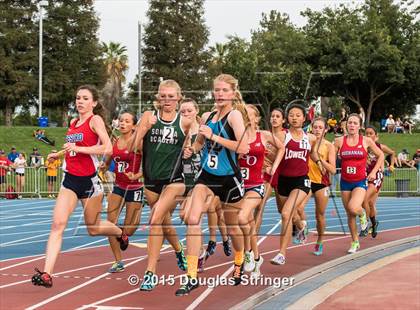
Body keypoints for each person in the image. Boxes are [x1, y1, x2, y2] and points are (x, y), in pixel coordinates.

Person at [31, 85, 128, 288]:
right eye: (78, 98)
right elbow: (72, 149)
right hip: (70, 180)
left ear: (93, 103)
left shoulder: (95, 120)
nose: (80, 101)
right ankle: (47, 274)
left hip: (90, 182)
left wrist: (77, 148)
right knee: (57, 225)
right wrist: (58, 154)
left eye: (85, 98)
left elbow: (107, 147)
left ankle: (120, 233)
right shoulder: (74, 122)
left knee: (93, 228)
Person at [176, 74, 248, 296]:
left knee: (233, 227)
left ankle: (239, 260)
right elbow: (199, 142)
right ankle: (191, 276)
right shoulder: (207, 116)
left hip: (229, 179)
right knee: (192, 218)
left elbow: (243, 148)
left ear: (233, 94)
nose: (219, 94)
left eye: (224, 90)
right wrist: (192, 150)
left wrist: (214, 137)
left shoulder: (234, 116)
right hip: (207, 176)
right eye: (216, 90)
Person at [133, 80, 191, 291]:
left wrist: (191, 149)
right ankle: (178, 250)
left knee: (156, 218)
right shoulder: (149, 117)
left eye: (171, 96)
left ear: (178, 98)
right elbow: (134, 146)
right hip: (150, 181)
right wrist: (142, 129)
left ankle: (150, 273)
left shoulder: (184, 122)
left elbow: (195, 145)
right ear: (158, 97)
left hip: (174, 181)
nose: (167, 100)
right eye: (163, 96)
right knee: (164, 222)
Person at [179, 99, 230, 273]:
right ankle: (199, 251)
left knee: (197, 217)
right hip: (184, 178)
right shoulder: (178, 131)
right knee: (186, 217)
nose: (185, 114)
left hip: (203, 179)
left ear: (196, 111)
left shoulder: (205, 128)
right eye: (182, 111)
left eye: (188, 111)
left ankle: (199, 255)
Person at [270, 103, 319, 265]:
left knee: (285, 214)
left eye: (298, 115)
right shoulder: (282, 137)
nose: (294, 117)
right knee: (287, 214)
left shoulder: (310, 138)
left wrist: (321, 164)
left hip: (301, 181)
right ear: (287, 119)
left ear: (304, 118)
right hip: (284, 181)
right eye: (291, 115)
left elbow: (313, 155)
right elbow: (272, 154)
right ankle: (301, 226)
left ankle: (281, 254)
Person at [239, 104, 284, 277]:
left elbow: (281, 148)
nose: (246, 118)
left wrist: (274, 167)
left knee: (243, 217)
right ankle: (257, 257)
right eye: (243, 114)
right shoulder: (237, 136)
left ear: (256, 118)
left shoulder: (264, 135)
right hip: (239, 185)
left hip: (256, 185)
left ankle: (248, 253)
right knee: (247, 223)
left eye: (249, 115)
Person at [334, 114, 383, 254]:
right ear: (346, 125)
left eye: (355, 123)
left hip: (360, 181)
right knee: (349, 214)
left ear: (359, 126)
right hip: (345, 182)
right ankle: (355, 242)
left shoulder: (366, 141)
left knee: (353, 207)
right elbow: (329, 155)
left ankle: (362, 215)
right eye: (350, 123)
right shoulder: (338, 141)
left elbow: (381, 155)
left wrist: (373, 172)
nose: (352, 125)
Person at [102, 111, 143, 273]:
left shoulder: (138, 143)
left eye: (127, 121)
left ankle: (125, 235)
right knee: (110, 224)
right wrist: (104, 166)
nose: (123, 123)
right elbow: (110, 159)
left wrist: (138, 175)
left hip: (135, 188)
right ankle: (118, 261)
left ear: (133, 125)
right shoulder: (115, 141)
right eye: (121, 121)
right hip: (118, 187)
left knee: (131, 228)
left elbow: (149, 165)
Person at [295, 117, 336, 255]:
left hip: (321, 183)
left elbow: (333, 169)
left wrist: (319, 160)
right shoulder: (305, 141)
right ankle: (304, 228)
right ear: (311, 128)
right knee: (298, 208)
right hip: (306, 180)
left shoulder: (329, 146)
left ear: (325, 130)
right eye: (315, 127)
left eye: (320, 127)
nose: (317, 130)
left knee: (320, 215)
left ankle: (319, 242)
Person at [359, 126, 395, 238]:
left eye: (371, 133)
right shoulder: (362, 146)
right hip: (364, 176)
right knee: (369, 203)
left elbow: (392, 153)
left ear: (376, 136)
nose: (368, 136)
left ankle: (364, 226)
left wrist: (392, 165)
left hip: (376, 176)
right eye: (367, 133)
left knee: (364, 200)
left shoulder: (380, 147)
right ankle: (374, 224)